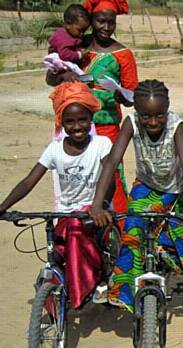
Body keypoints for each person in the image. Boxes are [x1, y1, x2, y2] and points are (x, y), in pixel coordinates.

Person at [89, 80, 183, 340]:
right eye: (146, 115)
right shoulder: (131, 123)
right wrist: (96, 204)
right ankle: (122, 290)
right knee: (132, 234)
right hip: (146, 186)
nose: (153, 121)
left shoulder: (175, 124)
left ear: (167, 110)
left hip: (178, 190)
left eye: (159, 114)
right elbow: (113, 160)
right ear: (136, 111)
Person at [0, 82, 112, 309]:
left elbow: (110, 180)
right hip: (65, 215)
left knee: (77, 229)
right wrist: (3, 206)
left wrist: (100, 205)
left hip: (95, 212)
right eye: (69, 121)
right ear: (61, 123)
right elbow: (29, 181)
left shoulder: (102, 144)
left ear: (91, 118)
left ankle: (86, 289)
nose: (77, 126)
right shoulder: (54, 149)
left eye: (82, 119)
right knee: (57, 249)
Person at [47, 0, 138, 219]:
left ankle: (119, 231)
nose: (106, 27)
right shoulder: (74, 47)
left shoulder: (123, 55)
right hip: (73, 126)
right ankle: (75, 228)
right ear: (90, 22)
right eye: (101, 21)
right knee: (73, 175)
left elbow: (132, 97)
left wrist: (121, 96)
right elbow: (50, 77)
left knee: (111, 176)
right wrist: (65, 76)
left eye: (111, 22)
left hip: (107, 127)